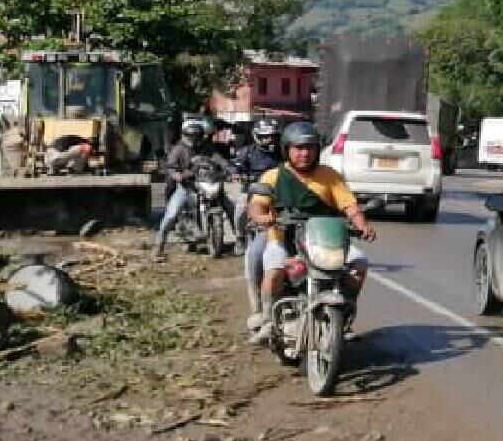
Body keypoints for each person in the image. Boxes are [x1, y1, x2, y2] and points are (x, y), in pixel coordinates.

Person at [246, 121, 375, 341]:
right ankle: (268, 318)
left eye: (310, 148)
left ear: (317, 150)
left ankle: (344, 317)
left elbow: (349, 205)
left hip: (325, 239)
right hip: (283, 240)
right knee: (273, 273)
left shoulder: (329, 175)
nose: (304, 153)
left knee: (359, 264)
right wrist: (262, 217)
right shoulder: (273, 176)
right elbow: (257, 204)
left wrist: (361, 223)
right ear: (287, 149)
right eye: (298, 148)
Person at [154, 117, 235, 260]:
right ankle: (158, 247)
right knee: (171, 214)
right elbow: (170, 166)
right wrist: (176, 174)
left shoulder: (207, 148)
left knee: (231, 208)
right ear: (184, 134)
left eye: (197, 135)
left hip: (207, 183)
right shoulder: (178, 149)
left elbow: (219, 159)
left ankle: (241, 240)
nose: (194, 138)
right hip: (187, 187)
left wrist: (229, 168)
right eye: (190, 135)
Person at [231, 119, 283, 324]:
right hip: (255, 195)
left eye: (272, 136)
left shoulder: (284, 156)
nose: (269, 140)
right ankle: (239, 236)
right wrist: (237, 175)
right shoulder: (247, 153)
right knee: (240, 210)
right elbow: (235, 167)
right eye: (264, 137)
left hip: (282, 203)